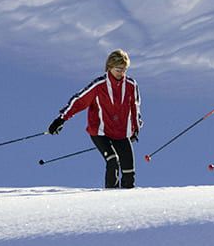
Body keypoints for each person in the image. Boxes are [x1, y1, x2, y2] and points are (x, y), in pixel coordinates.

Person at [47, 49, 143, 188]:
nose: (121, 73)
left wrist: (135, 128)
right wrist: (61, 119)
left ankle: (126, 203)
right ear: (109, 67)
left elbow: (135, 107)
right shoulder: (99, 86)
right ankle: (110, 196)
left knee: (129, 172)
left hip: (122, 133)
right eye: (118, 69)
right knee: (113, 161)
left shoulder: (131, 85)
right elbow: (78, 101)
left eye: (124, 69)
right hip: (100, 132)